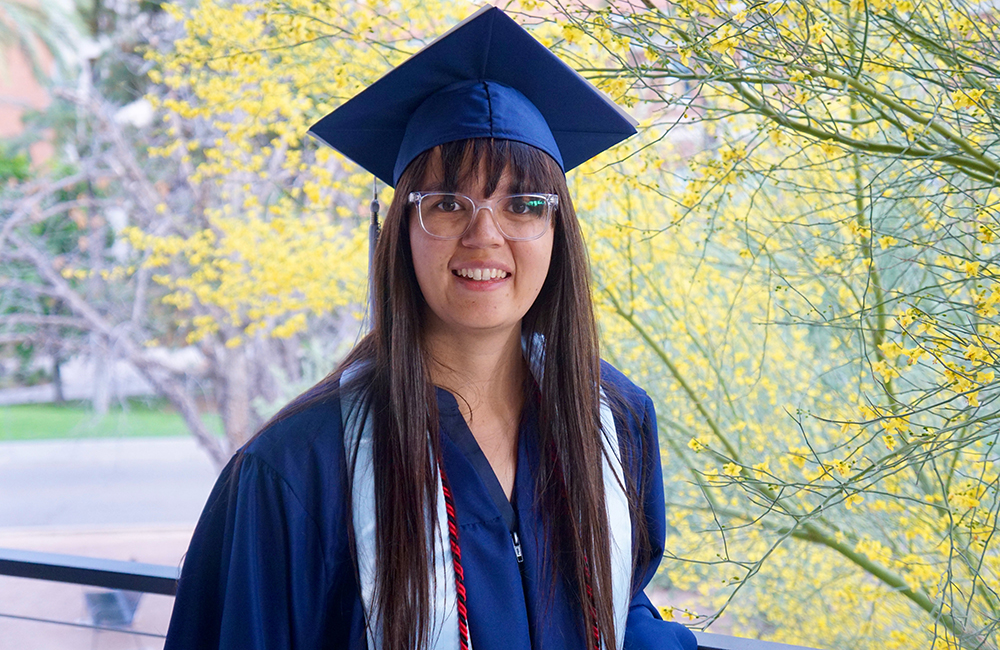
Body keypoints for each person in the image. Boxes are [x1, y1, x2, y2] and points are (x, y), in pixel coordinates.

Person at [164, 7, 697, 650]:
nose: (485, 235)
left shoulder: (614, 420)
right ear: (400, 233)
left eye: (523, 204)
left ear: (558, 232)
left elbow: (619, 601)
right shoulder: (297, 472)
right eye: (447, 203)